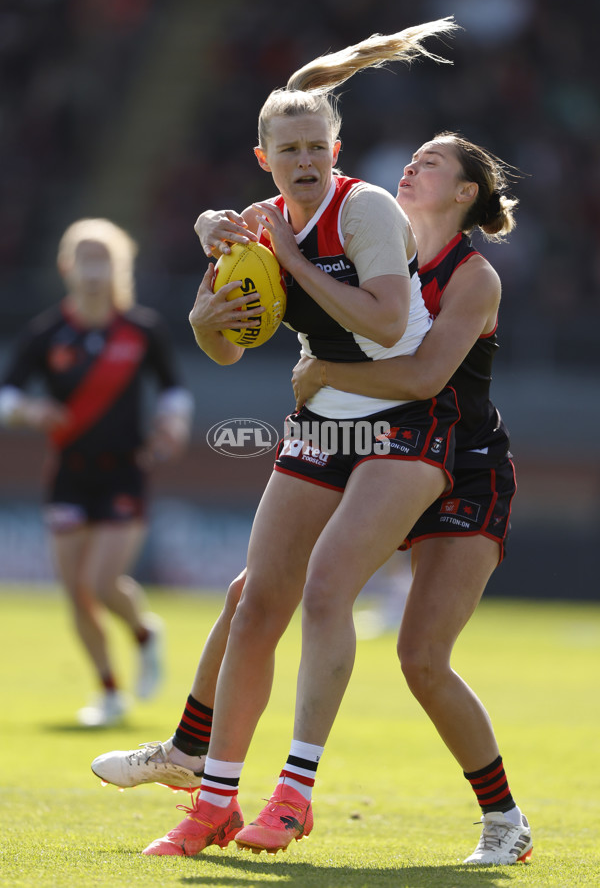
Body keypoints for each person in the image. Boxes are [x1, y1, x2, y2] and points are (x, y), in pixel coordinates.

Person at [92, 129, 533, 865]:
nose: (411, 164)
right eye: (412, 156)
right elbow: (295, 183)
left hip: (463, 461)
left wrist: (326, 376)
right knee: (252, 595)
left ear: (465, 193)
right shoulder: (369, 231)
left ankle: (503, 819)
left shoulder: (472, 276)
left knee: (422, 656)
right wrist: (215, 232)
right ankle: (190, 752)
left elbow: (423, 377)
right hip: (370, 444)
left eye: (433, 163)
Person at [116, 19, 462, 857]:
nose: (306, 160)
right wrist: (204, 319)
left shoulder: (367, 209)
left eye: (317, 145)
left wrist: (295, 265)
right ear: (263, 158)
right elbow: (227, 346)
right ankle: (213, 800)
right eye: (290, 149)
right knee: (256, 602)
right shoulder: (252, 226)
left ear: (335, 150)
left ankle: (294, 790)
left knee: (321, 596)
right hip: (321, 420)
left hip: (404, 419)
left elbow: (385, 321)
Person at [0, 218, 194, 727]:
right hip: (68, 474)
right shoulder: (48, 332)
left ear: (118, 266)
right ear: (67, 266)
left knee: (103, 581)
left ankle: (146, 634)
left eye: (102, 257)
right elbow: (8, 395)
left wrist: (171, 424)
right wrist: (31, 411)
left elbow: (174, 389)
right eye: (83, 258)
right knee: (76, 592)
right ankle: (109, 692)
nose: (92, 268)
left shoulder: (142, 329)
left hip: (124, 473)